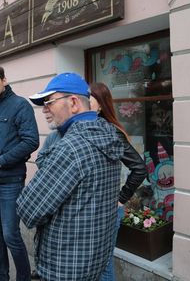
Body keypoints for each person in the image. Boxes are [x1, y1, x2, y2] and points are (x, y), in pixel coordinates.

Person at [17, 73, 124, 280]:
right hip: (93, 262)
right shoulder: (109, 135)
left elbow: (28, 210)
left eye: (49, 102)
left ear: (74, 103)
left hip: (65, 267)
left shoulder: (71, 148)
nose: (45, 109)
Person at [0, 65, 39, 281]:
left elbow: (31, 140)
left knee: (11, 234)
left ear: (4, 80)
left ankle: (23, 277)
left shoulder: (20, 105)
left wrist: (3, 160)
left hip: (9, 182)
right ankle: (0, 276)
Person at [89, 82, 148, 281]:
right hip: (94, 209)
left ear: (99, 104)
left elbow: (140, 169)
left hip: (109, 210)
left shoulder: (111, 132)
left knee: (104, 267)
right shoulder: (88, 128)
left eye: (88, 98)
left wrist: (121, 198)